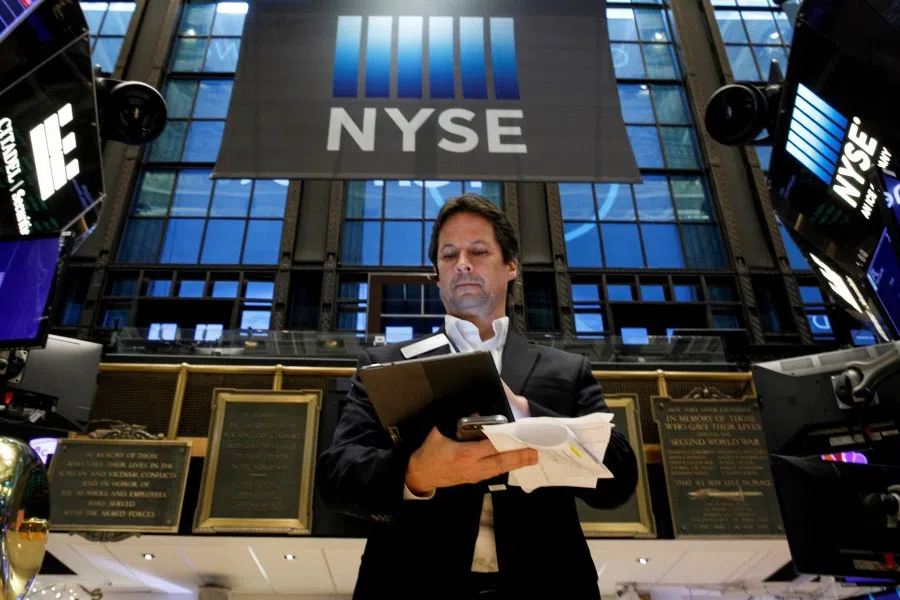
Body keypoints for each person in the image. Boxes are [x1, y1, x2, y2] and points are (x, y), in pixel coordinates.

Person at [317, 194, 639, 600]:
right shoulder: (384, 365)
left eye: (478, 251)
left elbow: (619, 482)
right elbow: (336, 478)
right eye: (449, 255)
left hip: (549, 586)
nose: (462, 263)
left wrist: (529, 416)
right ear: (436, 271)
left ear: (510, 266)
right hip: (409, 586)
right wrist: (416, 473)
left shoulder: (566, 370)